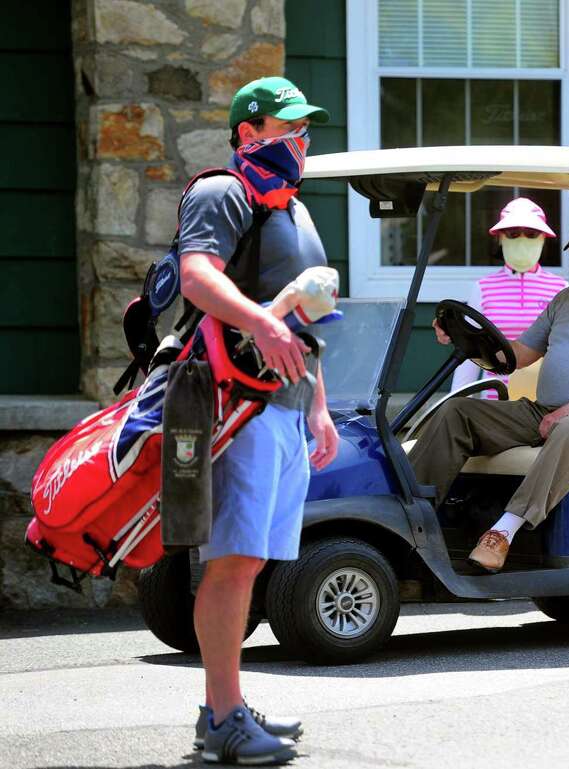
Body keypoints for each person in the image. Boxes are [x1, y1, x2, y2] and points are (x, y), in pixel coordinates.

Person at [178, 76, 339, 764]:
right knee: (232, 562)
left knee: (252, 562)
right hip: (235, 407)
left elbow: (305, 317)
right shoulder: (223, 192)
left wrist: (321, 406)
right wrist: (258, 322)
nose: (300, 140)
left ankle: (228, 702)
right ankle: (222, 717)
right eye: (288, 126)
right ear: (249, 131)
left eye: (305, 129)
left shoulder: (292, 208)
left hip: (284, 408)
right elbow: (196, 275)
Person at [409, 213, 569, 572]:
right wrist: (465, 340)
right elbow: (518, 355)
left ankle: (503, 532)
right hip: (547, 410)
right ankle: (407, 521)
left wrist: (568, 411)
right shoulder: (566, 300)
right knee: (458, 413)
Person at [450, 197, 568, 396]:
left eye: (531, 234)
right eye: (513, 234)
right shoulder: (482, 288)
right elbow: (470, 355)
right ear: (500, 237)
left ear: (543, 238)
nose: (522, 239)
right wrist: (456, 402)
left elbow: (566, 354)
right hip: (494, 402)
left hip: (544, 403)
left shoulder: (561, 289)